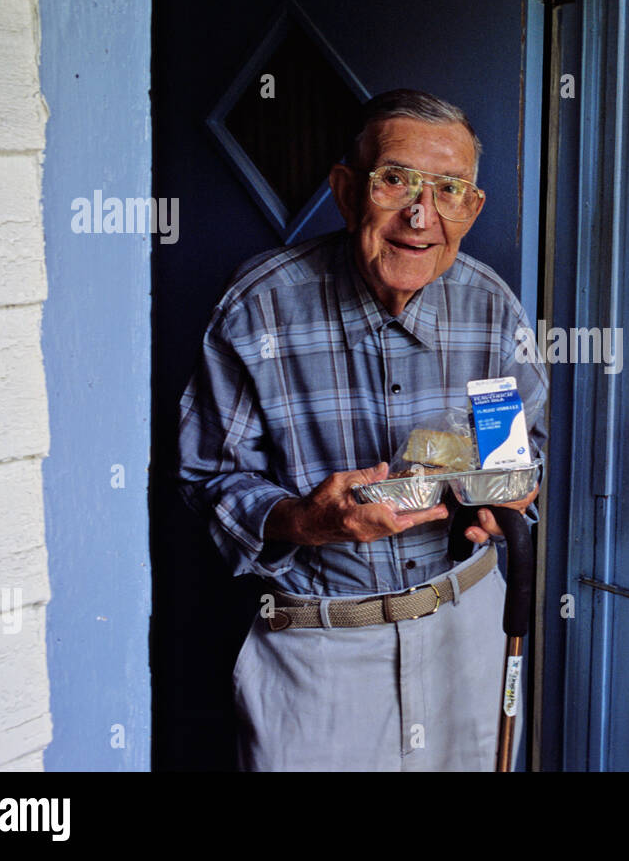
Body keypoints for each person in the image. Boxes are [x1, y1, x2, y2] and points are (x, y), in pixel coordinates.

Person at [177, 89, 548, 771]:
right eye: (396, 180)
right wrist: (303, 519)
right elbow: (207, 478)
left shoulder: (493, 307)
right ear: (348, 191)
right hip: (320, 653)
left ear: (471, 208)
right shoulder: (257, 306)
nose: (420, 213)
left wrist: (507, 499)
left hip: (466, 632)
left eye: (447, 190)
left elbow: (527, 451)